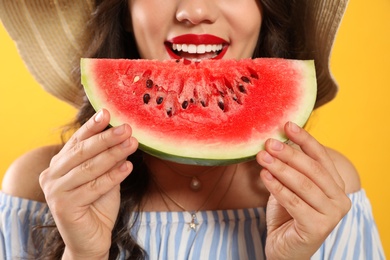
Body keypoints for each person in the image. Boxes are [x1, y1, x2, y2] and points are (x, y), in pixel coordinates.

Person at [0, 0, 385, 259]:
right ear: (125, 10)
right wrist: (83, 255)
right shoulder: (39, 189)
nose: (195, 11)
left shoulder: (327, 194)